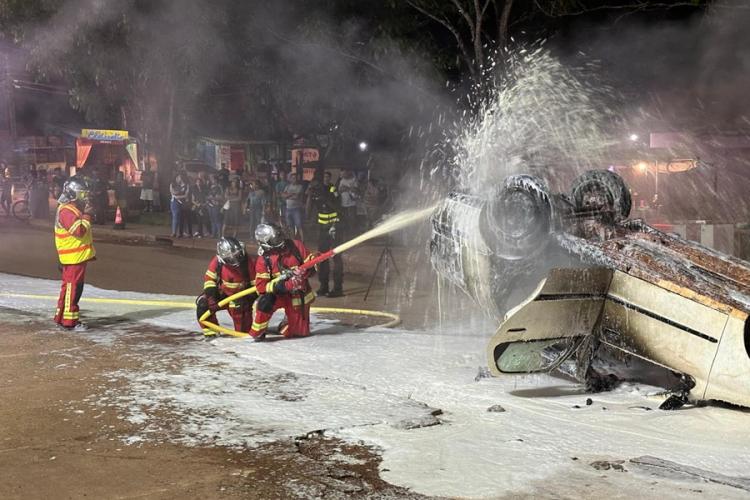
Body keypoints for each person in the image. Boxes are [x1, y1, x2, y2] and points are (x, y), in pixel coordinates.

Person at [250, 223, 316, 340]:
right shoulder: (264, 259)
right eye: (276, 239)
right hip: (277, 295)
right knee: (264, 302)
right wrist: (282, 286)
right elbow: (261, 287)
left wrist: (306, 271)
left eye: (280, 235)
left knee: (299, 334)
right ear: (267, 243)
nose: (281, 240)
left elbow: (312, 267)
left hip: (298, 295)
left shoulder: (296, 246)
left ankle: (287, 324)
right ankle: (259, 331)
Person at [53, 177, 96, 330]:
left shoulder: (70, 208)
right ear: (73, 194)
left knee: (68, 287)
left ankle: (61, 317)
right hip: (73, 257)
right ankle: (70, 322)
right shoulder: (66, 210)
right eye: (82, 194)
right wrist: (87, 215)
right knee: (74, 288)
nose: (85, 197)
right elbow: (78, 230)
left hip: (73, 256)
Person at [195, 237, 257, 338]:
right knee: (203, 305)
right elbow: (209, 280)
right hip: (224, 294)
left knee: (242, 332)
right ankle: (211, 333)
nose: (235, 260)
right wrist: (212, 298)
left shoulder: (248, 262)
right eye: (230, 258)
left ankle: (242, 334)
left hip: (242, 296)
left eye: (236, 255)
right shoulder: (217, 262)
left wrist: (249, 299)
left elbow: (255, 285)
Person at [311, 172, 343, 297]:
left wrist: (334, 226)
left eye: (327, 177)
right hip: (323, 229)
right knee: (322, 257)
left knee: (336, 256)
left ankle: (337, 289)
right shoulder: (316, 191)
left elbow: (338, 208)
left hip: (334, 228)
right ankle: (323, 286)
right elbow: (314, 209)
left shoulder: (332, 190)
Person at [282, 172, 305, 241]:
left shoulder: (300, 186)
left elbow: (296, 196)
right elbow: (283, 196)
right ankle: (293, 240)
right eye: (292, 178)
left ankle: (303, 240)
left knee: (299, 225)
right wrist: (291, 194)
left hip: (296, 209)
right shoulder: (287, 186)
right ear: (290, 179)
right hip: (288, 208)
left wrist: (288, 195)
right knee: (290, 226)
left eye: (295, 178)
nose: (293, 179)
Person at [337, 169, 359, 240]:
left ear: (347, 173)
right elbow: (339, 190)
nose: (342, 175)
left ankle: (352, 235)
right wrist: (342, 189)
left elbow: (356, 190)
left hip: (351, 204)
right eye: (341, 174)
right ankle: (346, 235)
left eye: (343, 174)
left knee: (352, 220)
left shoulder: (354, 180)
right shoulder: (342, 181)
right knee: (345, 220)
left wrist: (346, 188)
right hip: (343, 204)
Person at [169, 173, 189, 237]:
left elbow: (186, 194)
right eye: (178, 177)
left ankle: (181, 232)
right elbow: (174, 192)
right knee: (175, 217)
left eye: (180, 177)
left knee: (182, 218)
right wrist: (181, 193)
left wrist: (180, 194)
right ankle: (174, 232)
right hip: (175, 203)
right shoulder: (172, 184)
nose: (179, 179)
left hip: (182, 203)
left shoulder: (183, 185)